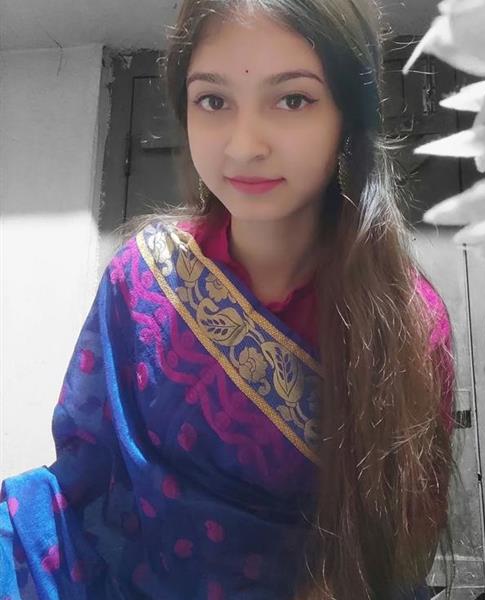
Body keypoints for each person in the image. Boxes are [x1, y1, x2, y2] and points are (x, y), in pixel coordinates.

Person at [0, 0, 456, 598]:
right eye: (213, 101)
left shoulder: (408, 324)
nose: (243, 146)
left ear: (348, 114)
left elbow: (397, 551)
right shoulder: (142, 279)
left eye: (292, 100)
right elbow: (84, 480)